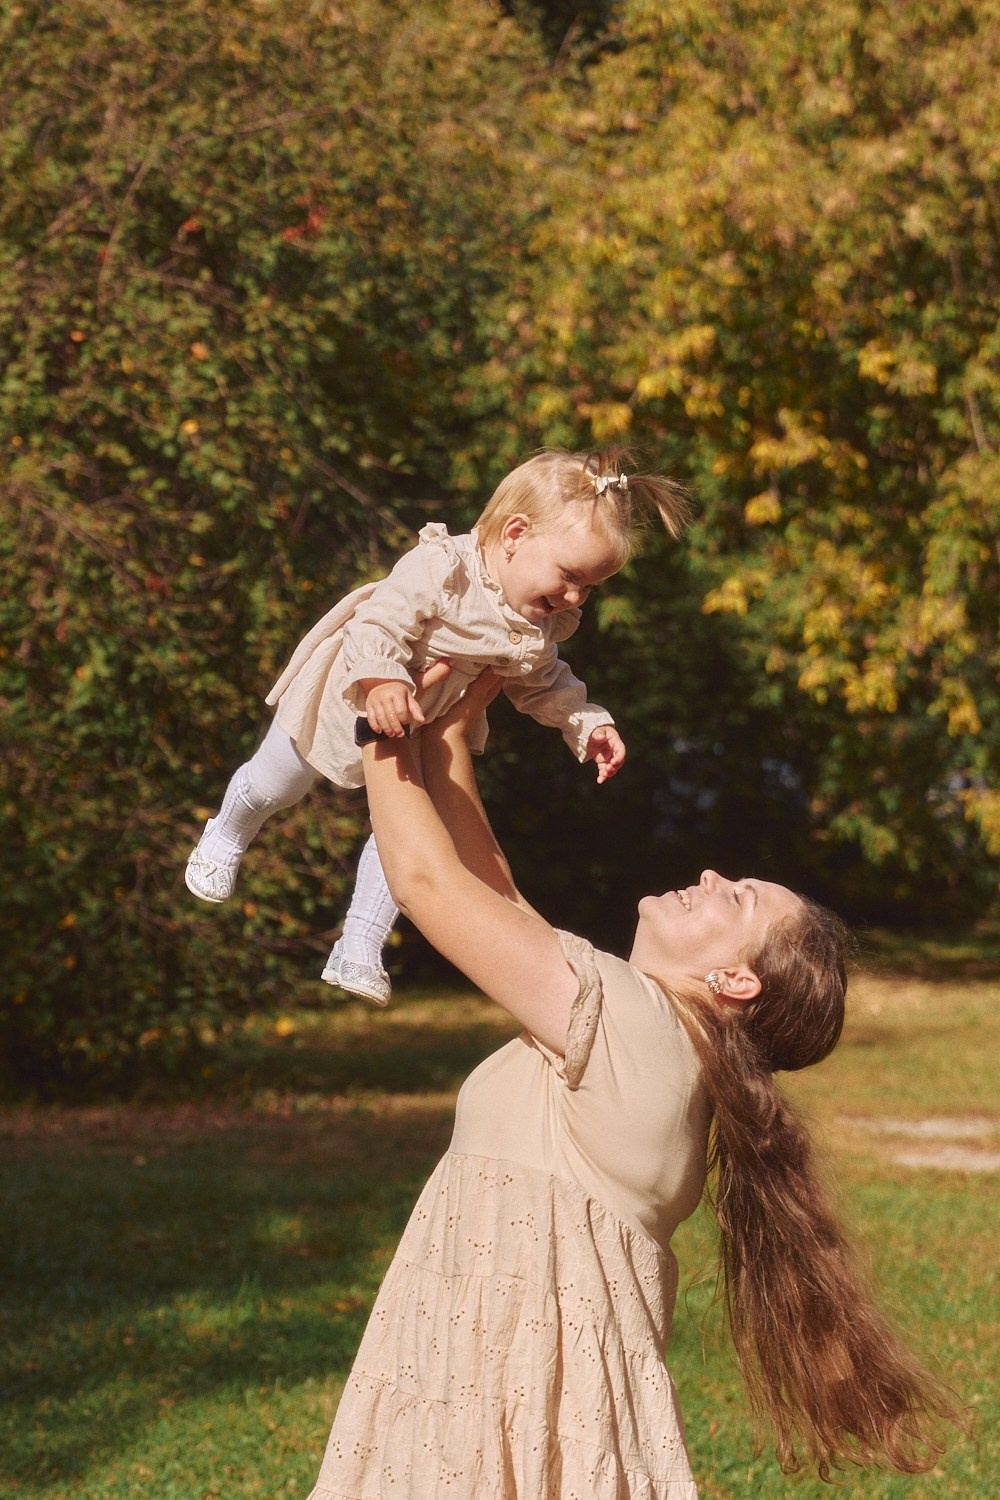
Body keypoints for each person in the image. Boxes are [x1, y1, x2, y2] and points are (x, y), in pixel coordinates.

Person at [304, 671, 959, 1498]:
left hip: (488, 1385)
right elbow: (493, 893)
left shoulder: (631, 1023)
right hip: (497, 1383)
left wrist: (380, 736)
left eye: (741, 898)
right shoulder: (654, 1039)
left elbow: (431, 887)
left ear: (735, 979)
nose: (715, 874)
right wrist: (452, 734)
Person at [184, 448, 689, 1004]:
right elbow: (378, 621)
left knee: (406, 834)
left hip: (423, 731)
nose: (573, 598)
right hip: (345, 699)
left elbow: (544, 681)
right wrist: (382, 682)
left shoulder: (536, 622)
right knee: (278, 782)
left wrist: (584, 723)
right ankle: (227, 832)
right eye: (570, 577)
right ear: (515, 534)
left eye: (589, 588)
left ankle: (359, 945)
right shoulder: (443, 568)